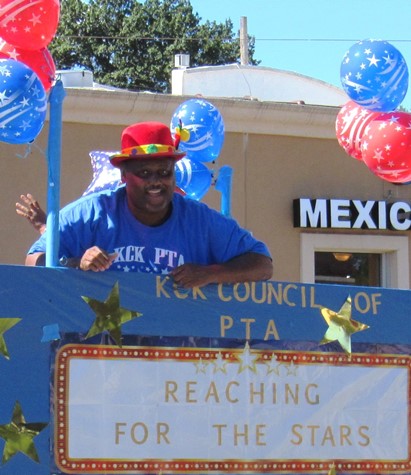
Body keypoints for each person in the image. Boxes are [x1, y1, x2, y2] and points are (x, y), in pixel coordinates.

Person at [25, 121, 273, 288]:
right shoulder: (91, 212)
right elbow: (34, 259)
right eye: (143, 172)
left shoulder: (199, 219)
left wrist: (211, 273)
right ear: (124, 176)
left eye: (164, 172)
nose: (155, 182)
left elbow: (262, 264)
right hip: (98, 354)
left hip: (175, 354)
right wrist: (76, 263)